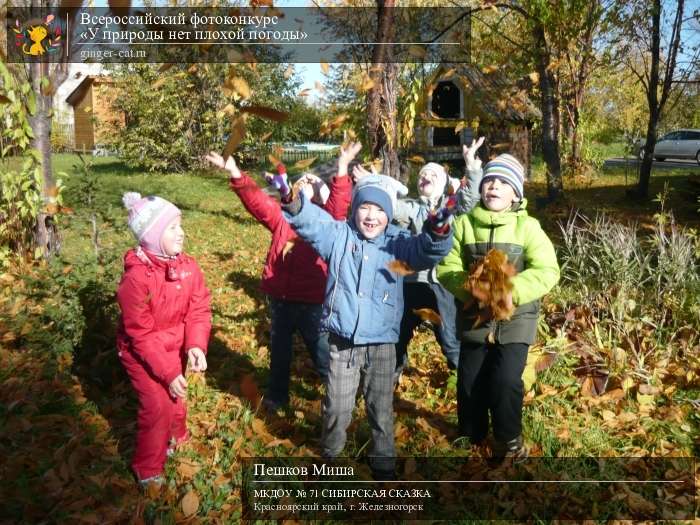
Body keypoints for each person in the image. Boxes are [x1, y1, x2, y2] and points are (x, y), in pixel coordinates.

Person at [281, 169, 454, 479]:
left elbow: (426, 250)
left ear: (389, 214)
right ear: (354, 209)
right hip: (343, 340)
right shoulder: (339, 235)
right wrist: (293, 202)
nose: (371, 216)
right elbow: (311, 225)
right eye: (364, 207)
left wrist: (438, 230)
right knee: (337, 405)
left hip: (383, 340)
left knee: (380, 407)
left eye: (379, 210)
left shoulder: (399, 245)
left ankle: (383, 461)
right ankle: (331, 454)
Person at [204, 144, 358, 412]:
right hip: (281, 299)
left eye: (313, 181)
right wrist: (236, 173)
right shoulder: (282, 217)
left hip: (313, 301)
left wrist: (342, 168)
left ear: (324, 193)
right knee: (279, 352)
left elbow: (340, 201)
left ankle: (340, 395)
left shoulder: (328, 221)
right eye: (302, 181)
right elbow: (257, 202)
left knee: (322, 352)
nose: (307, 181)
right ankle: (277, 396)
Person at [436, 153, 560, 460]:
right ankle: (472, 432)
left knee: (505, 381)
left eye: (503, 183)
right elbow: (446, 266)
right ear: (480, 188)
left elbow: (547, 270)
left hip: (516, 318)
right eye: (490, 180)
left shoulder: (528, 228)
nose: (494, 186)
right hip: (475, 317)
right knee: (469, 380)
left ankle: (509, 437)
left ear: (516, 193)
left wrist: (509, 290)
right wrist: (470, 289)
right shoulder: (463, 225)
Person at [116, 192, 211, 487]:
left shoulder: (188, 267)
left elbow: (199, 308)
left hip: (173, 346)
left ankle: (177, 437)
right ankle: (148, 468)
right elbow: (139, 334)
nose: (181, 232)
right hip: (140, 352)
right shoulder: (136, 280)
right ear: (153, 235)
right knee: (157, 405)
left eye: (180, 225)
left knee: (177, 396)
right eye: (172, 227)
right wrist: (168, 372)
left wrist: (195, 344)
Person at [388, 138, 485, 378]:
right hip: (411, 283)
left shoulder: (452, 207)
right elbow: (387, 208)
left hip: (442, 284)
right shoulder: (410, 206)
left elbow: (470, 199)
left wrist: (472, 167)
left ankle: (464, 378)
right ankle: (392, 376)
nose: (426, 179)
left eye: (432, 176)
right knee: (399, 334)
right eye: (422, 175)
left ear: (442, 184)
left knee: (449, 337)